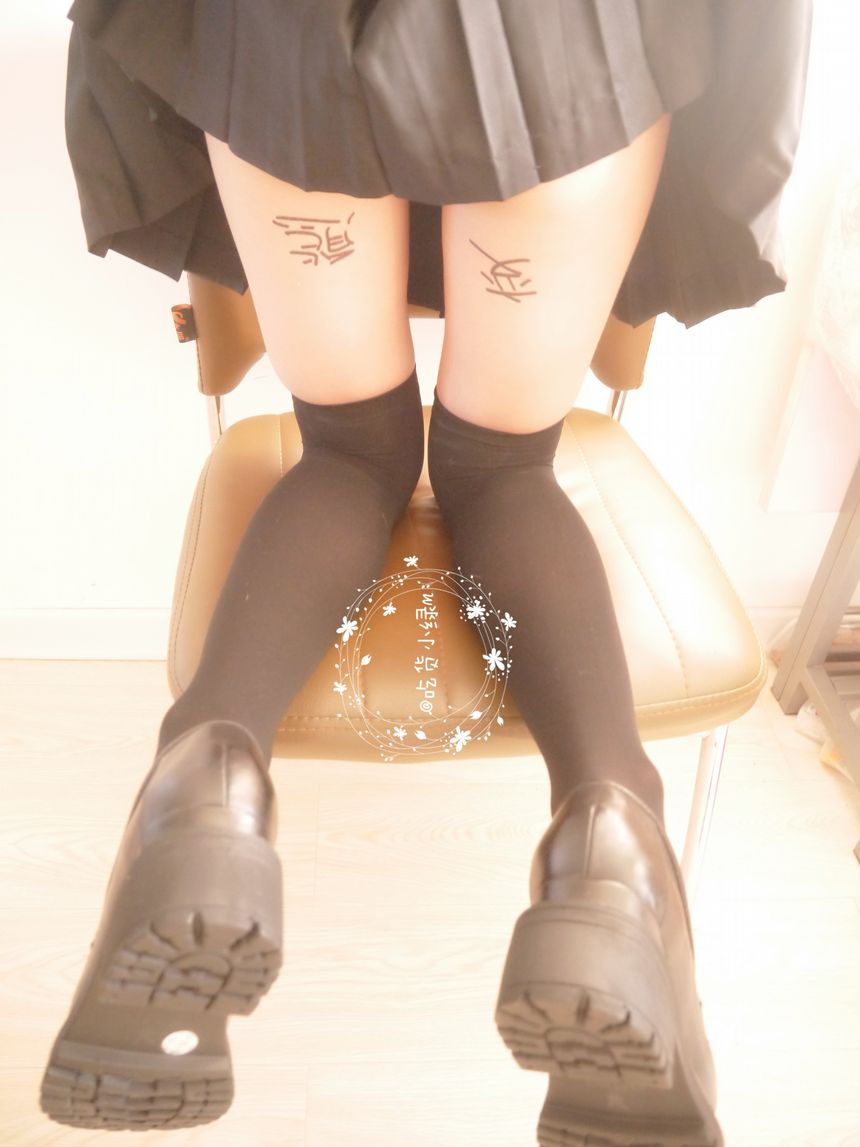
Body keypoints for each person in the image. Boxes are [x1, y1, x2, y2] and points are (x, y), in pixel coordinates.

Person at [43, 2, 813, 1142]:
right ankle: (611, 849)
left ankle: (200, 787)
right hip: (558, 43)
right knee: (502, 464)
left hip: (287, 41)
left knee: (349, 451)